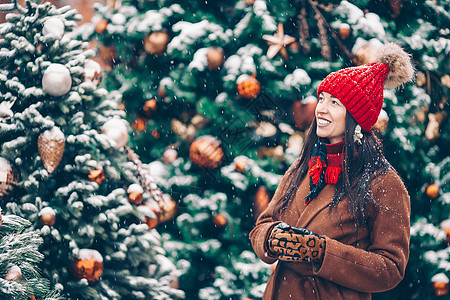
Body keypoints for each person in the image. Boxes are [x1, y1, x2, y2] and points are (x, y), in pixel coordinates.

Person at [249, 43, 414, 300]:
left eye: (335, 103)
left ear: (356, 117)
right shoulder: (304, 165)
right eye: (322, 98)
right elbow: (263, 225)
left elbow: (390, 269)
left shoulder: (384, 183)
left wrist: (322, 252)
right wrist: (270, 238)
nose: (321, 109)